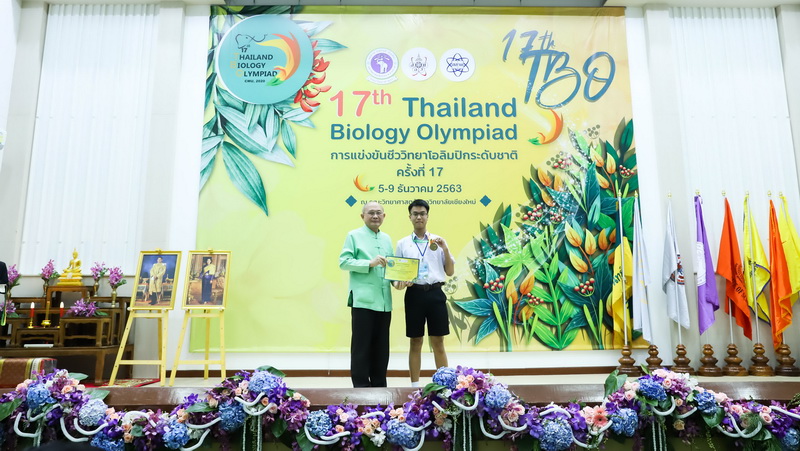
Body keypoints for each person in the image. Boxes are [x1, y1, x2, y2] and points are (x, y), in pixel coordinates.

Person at [393, 199, 454, 387]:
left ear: (427, 216)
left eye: (422, 213)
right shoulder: (402, 243)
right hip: (414, 295)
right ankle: (415, 387)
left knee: (438, 342)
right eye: (415, 214)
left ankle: (445, 386)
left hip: (435, 294)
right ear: (410, 217)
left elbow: (450, 271)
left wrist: (445, 249)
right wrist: (400, 284)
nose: (419, 217)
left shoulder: (438, 241)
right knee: (415, 341)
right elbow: (397, 277)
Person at [339, 201, 393, 387]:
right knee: (361, 348)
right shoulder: (353, 236)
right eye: (371, 213)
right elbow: (344, 262)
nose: (375, 216)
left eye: (378, 213)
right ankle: (361, 388)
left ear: (384, 216)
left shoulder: (387, 239)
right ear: (362, 216)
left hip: (384, 302)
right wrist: (369, 263)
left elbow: (391, 268)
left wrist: (399, 282)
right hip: (363, 301)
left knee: (382, 349)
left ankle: (380, 387)